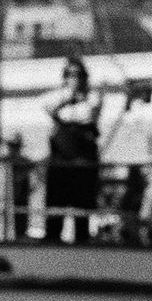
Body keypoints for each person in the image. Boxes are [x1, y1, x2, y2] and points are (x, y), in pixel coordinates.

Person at [40, 56, 108, 243]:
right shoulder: (57, 96)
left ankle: (82, 241)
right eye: (71, 75)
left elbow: (92, 113)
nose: (76, 79)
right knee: (55, 208)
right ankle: (52, 241)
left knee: (82, 209)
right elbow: (48, 108)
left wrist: (79, 99)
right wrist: (67, 100)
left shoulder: (93, 97)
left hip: (83, 162)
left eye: (79, 75)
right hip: (60, 161)